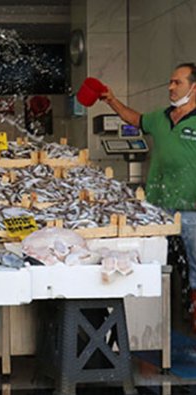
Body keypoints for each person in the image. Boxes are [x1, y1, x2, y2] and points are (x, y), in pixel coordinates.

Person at [101, 62, 196, 331]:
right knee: (155, 264)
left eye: (177, 82)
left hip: (193, 210)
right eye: (170, 82)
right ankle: (152, 323)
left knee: (195, 266)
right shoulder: (161, 117)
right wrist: (112, 101)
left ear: (194, 86)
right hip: (157, 210)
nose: (171, 87)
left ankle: (192, 320)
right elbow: (136, 120)